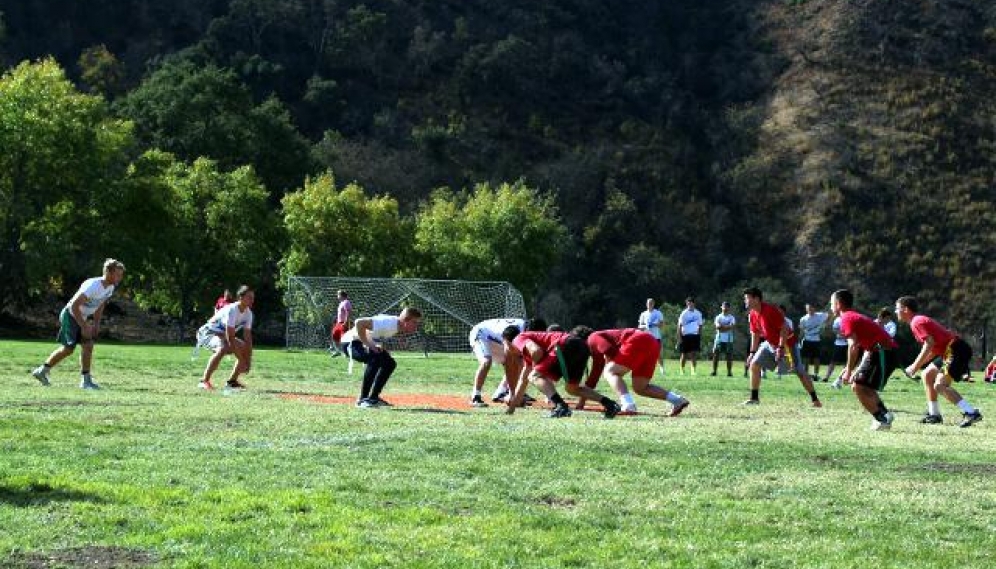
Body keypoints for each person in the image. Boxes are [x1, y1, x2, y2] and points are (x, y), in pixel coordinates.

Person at [32, 258, 126, 389]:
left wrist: (97, 324)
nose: (120, 278)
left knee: (88, 345)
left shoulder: (110, 287)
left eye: (121, 275)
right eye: (118, 274)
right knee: (69, 349)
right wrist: (84, 325)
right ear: (109, 273)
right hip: (70, 315)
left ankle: (85, 381)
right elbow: (75, 306)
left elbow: (100, 305)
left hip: (81, 317)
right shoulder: (93, 285)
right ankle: (42, 371)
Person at [894, 296, 983, 428]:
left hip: (955, 349)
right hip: (949, 350)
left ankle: (971, 413)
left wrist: (914, 367)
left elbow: (929, 344)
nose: (895, 311)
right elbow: (934, 349)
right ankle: (934, 414)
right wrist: (916, 366)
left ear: (906, 309)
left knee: (940, 386)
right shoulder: (918, 321)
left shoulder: (916, 322)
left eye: (897, 308)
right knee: (927, 375)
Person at [505, 328, 621, 419]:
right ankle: (610, 405)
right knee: (572, 389)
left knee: (534, 376)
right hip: (580, 346)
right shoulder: (527, 354)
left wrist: (537, 371)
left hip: (564, 344)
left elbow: (536, 351)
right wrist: (511, 410)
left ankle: (561, 407)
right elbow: (523, 380)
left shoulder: (518, 339)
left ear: (508, 343)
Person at [742, 287, 822, 407]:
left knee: (799, 372)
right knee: (754, 364)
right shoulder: (752, 314)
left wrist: (780, 348)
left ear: (756, 299)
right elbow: (755, 334)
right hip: (770, 344)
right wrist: (752, 352)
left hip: (787, 343)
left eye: (747, 298)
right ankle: (754, 398)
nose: (745, 301)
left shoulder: (770, 310)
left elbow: (784, 329)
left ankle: (815, 400)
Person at [830, 289, 898, 431]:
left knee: (859, 385)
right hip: (881, 352)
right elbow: (864, 346)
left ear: (838, 304)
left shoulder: (847, 318)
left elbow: (853, 346)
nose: (830, 307)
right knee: (861, 385)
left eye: (831, 303)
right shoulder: (852, 317)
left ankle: (882, 420)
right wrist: (855, 368)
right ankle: (884, 415)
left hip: (882, 353)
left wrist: (848, 370)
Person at [581, 328, 690, 416]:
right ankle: (677, 400)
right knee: (640, 387)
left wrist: (612, 366)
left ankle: (628, 404)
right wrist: (582, 401)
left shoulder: (592, 337)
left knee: (610, 371)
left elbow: (609, 350)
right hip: (651, 342)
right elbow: (594, 376)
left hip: (638, 339)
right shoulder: (596, 346)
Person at [340, 307, 422, 408]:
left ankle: (373, 398)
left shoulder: (396, 326)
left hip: (361, 342)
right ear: (405, 320)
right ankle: (363, 399)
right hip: (350, 343)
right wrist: (369, 345)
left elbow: (375, 336)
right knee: (374, 359)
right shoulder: (387, 323)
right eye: (414, 322)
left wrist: (377, 346)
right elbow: (359, 322)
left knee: (390, 363)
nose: (416, 326)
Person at [467, 317, 546, 407]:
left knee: (520, 362)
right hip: (481, 334)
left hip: (496, 340)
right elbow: (509, 364)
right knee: (486, 361)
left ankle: (501, 393)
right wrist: (514, 395)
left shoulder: (524, 329)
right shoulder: (515, 334)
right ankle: (475, 396)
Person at [197, 285, 256, 391]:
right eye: (249, 297)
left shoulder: (249, 314)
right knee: (223, 347)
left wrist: (248, 361)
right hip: (207, 333)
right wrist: (241, 359)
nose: (252, 300)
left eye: (253, 298)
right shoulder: (232, 310)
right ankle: (204, 381)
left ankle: (232, 382)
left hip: (222, 336)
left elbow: (248, 339)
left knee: (244, 348)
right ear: (240, 298)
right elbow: (230, 337)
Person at [798, 303, 829, 379]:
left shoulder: (820, 315)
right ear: (806, 310)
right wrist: (799, 341)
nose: (810, 310)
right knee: (806, 358)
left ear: (814, 308)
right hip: (806, 340)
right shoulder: (803, 319)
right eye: (808, 309)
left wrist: (826, 324)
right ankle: (806, 374)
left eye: (811, 308)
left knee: (817, 358)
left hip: (816, 340)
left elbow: (829, 315)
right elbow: (801, 331)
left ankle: (815, 374)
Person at [637, 298, 666, 374]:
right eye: (648, 303)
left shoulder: (658, 313)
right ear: (646, 304)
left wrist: (655, 324)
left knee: (658, 354)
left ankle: (662, 368)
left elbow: (662, 324)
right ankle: (644, 369)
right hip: (646, 337)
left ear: (653, 304)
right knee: (645, 354)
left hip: (656, 337)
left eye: (651, 303)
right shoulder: (643, 314)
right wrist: (646, 326)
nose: (649, 305)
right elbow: (639, 327)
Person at [677, 297, 704, 375]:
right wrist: (679, 337)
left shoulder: (698, 313)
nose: (689, 304)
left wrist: (699, 335)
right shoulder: (684, 313)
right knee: (684, 354)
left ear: (693, 303)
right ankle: (682, 370)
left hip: (695, 335)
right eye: (688, 303)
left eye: (691, 303)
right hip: (685, 335)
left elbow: (700, 325)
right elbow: (679, 326)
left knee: (693, 354)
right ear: (686, 304)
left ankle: (693, 370)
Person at [711, 301, 736, 377]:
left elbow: (732, 326)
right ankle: (714, 371)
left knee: (729, 356)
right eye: (723, 307)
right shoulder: (718, 317)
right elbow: (717, 327)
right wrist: (726, 327)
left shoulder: (731, 317)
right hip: (719, 339)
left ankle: (729, 372)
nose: (725, 308)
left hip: (729, 340)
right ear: (721, 307)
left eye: (726, 307)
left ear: (729, 308)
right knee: (716, 355)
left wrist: (723, 327)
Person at [825, 316, 849, 387]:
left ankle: (845, 379)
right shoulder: (838, 319)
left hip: (847, 344)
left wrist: (847, 335)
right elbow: (834, 329)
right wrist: (841, 334)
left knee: (846, 363)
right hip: (838, 343)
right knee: (833, 361)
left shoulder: (849, 318)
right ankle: (826, 377)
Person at [329, 290, 353, 356]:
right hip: (339, 323)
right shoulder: (341, 303)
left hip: (344, 323)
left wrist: (346, 322)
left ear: (341, 295)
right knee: (334, 335)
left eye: (338, 295)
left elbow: (349, 312)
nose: (337, 296)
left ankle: (347, 352)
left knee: (344, 338)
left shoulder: (346, 302)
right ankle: (338, 351)